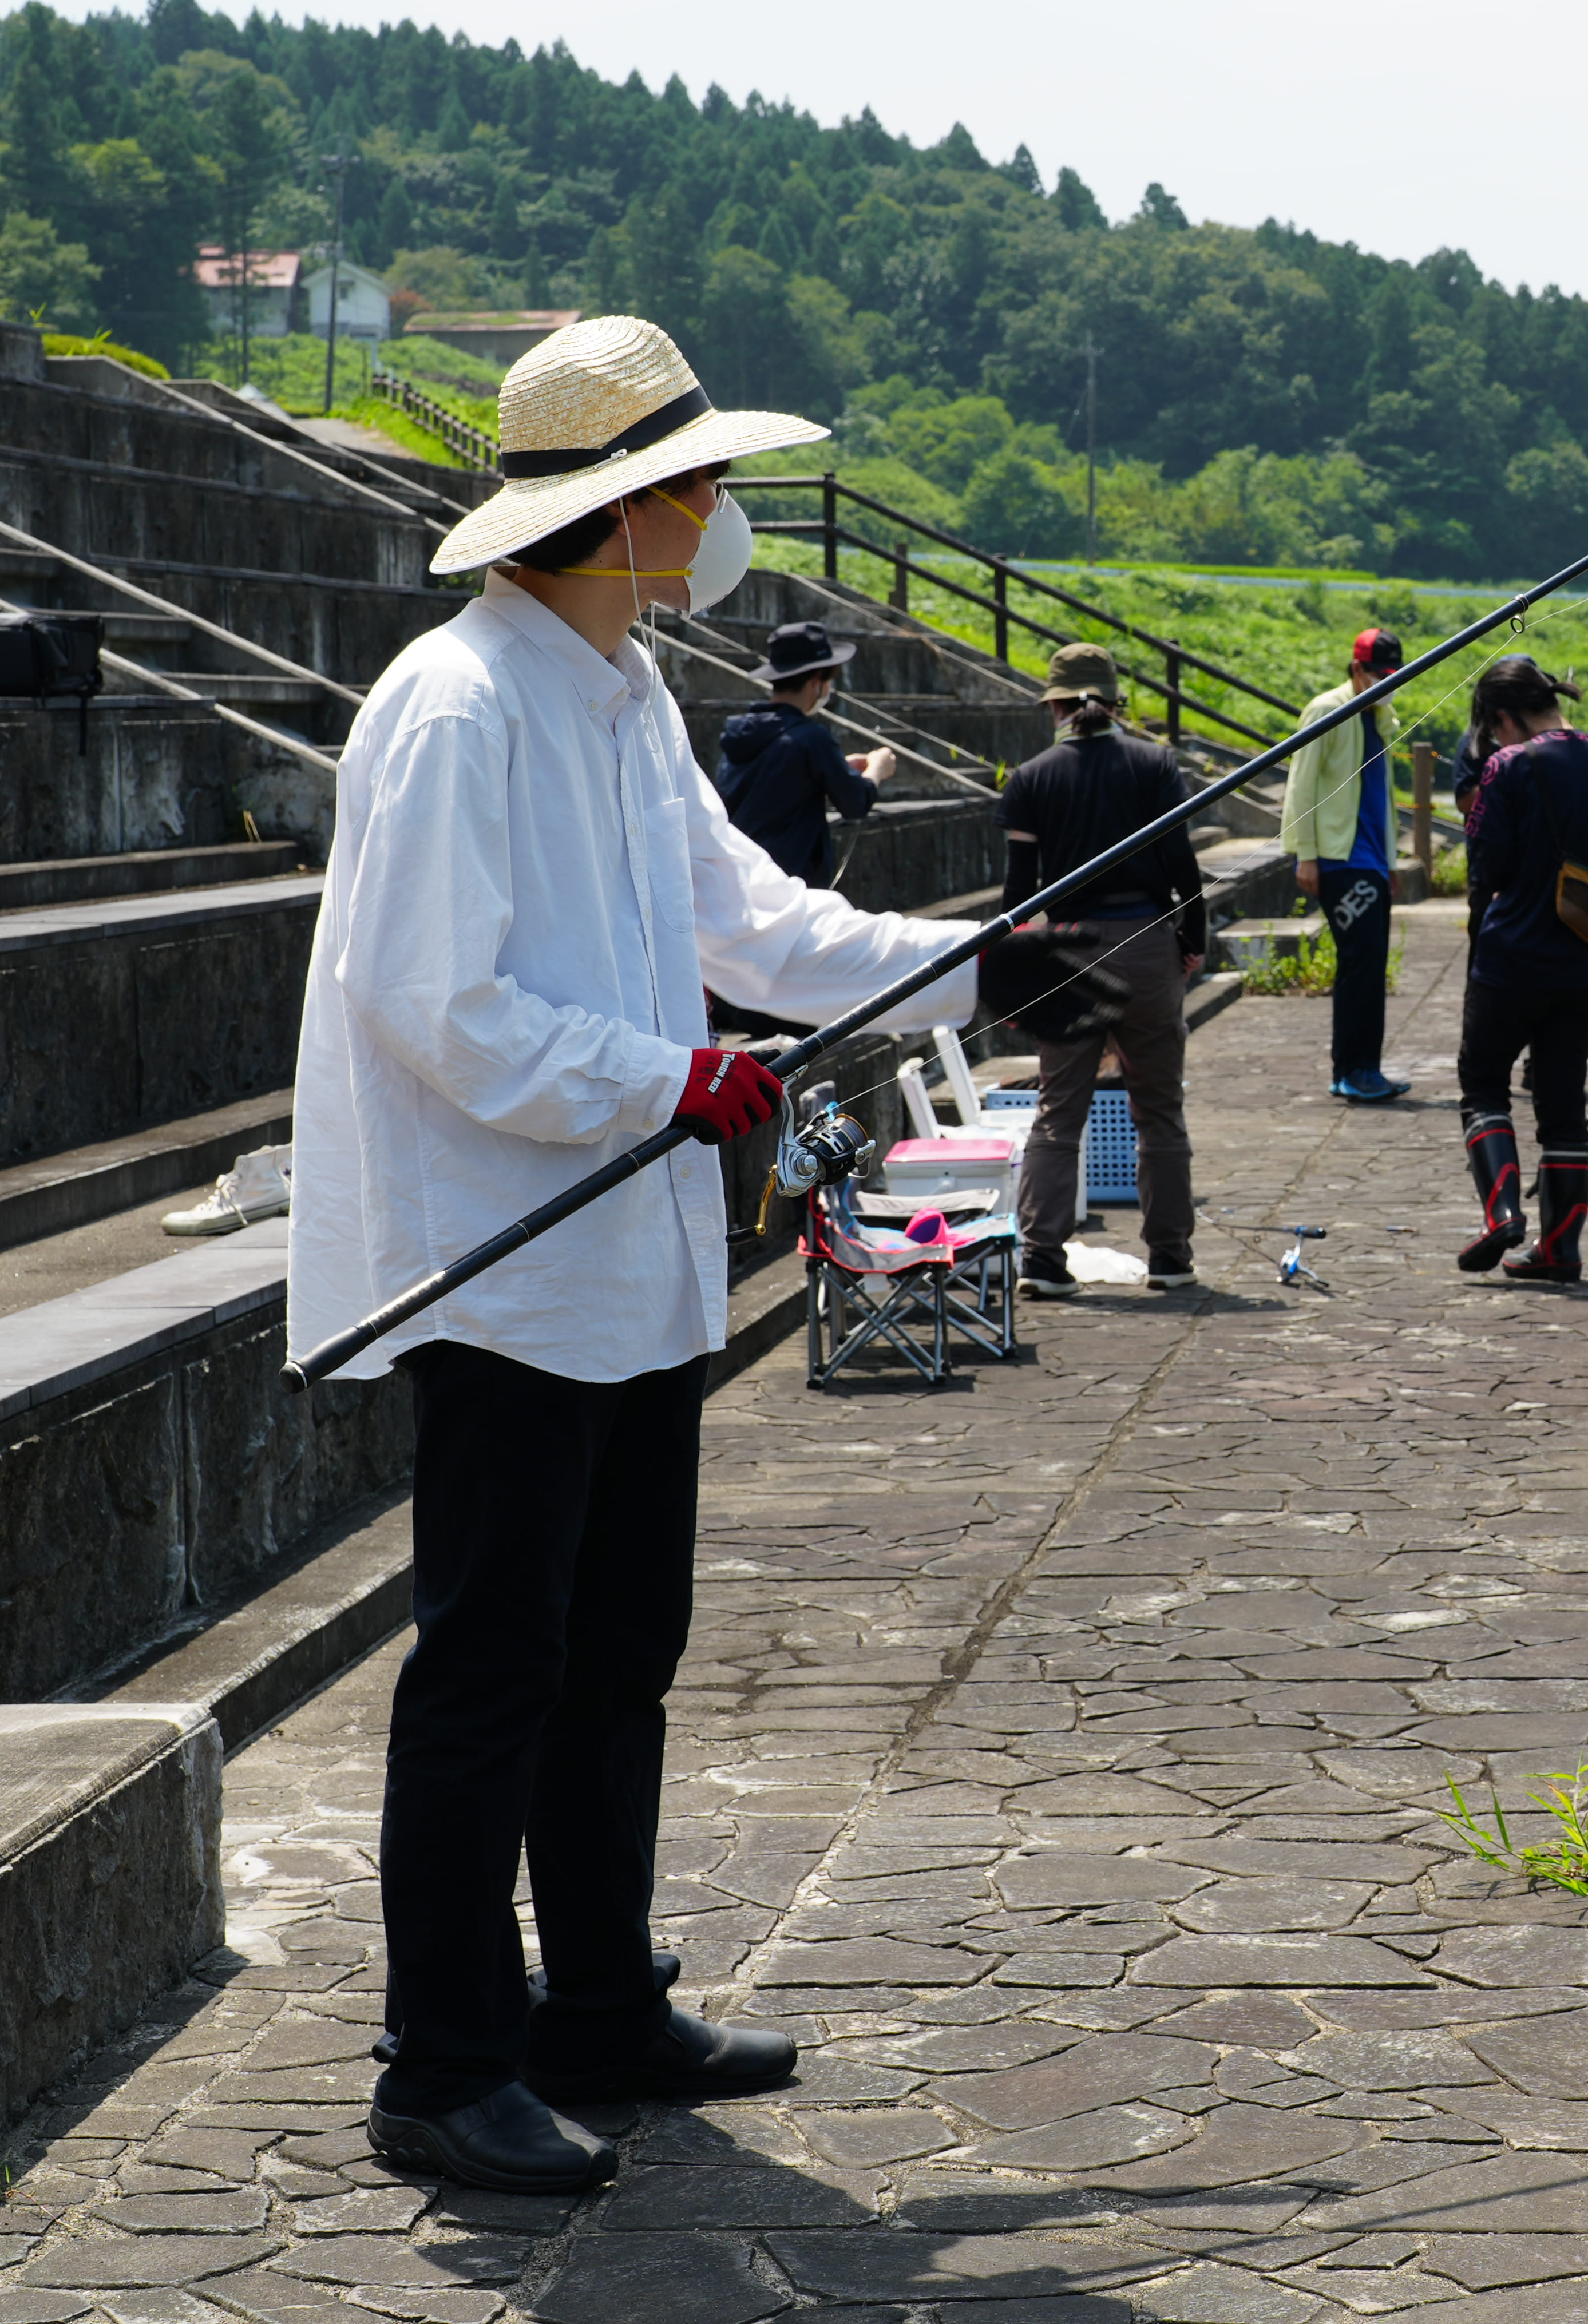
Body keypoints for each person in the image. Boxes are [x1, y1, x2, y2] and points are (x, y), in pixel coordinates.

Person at [290, 317, 987, 2198]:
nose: (726, 509)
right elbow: (438, 1005)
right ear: (632, 509)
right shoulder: (458, 707)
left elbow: (746, 921)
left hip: (631, 1259)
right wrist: (663, 1073)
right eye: (704, 480)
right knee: (491, 1661)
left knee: (621, 1649)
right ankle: (442, 2062)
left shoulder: (619, 689)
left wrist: (979, 952)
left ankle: (595, 2004)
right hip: (507, 1262)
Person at [997, 641, 1206, 1295]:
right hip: (1147, 941)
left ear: (1056, 705)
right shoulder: (1156, 764)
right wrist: (1191, 941)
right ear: (1117, 703)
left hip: (1066, 951)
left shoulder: (1031, 777)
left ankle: (1043, 1258)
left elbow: (1018, 895)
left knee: (1059, 1112)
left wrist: (1017, 971)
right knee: (1159, 1110)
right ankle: (1170, 1257)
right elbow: (1183, 869)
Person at [1448, 655, 1588, 1284]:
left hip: (1510, 958)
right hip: (1581, 962)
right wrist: (1584, 881)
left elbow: (1489, 872)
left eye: (1494, 729)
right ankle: (1560, 1251)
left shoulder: (1505, 768)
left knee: (1483, 1083)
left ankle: (1503, 1214)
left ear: (1505, 718)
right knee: (1562, 1105)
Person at [1276, 625, 1412, 1102]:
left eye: (1393, 677)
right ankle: (1354, 1071)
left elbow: (1381, 795)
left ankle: (1361, 1069)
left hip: (1371, 859)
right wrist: (1306, 855)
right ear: (1357, 669)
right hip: (1339, 859)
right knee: (1360, 965)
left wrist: (1392, 859)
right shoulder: (1328, 709)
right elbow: (1302, 785)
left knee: (1370, 967)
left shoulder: (1378, 714)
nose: (1386, 683)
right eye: (1379, 675)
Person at [711, 617, 894, 885]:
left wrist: (837, 767)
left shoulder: (743, 732)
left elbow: (774, 785)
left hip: (741, 880)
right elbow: (855, 803)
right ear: (818, 679)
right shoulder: (811, 739)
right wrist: (877, 770)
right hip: (789, 886)